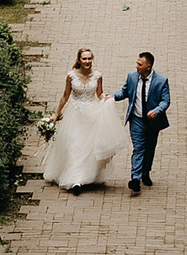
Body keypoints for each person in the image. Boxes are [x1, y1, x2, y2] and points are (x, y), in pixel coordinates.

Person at [44, 46, 128, 192]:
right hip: (75, 115)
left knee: (88, 148)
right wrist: (56, 114)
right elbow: (65, 96)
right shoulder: (71, 76)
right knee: (74, 146)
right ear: (79, 60)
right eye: (84, 59)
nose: (87, 61)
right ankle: (74, 181)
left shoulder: (97, 76)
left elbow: (99, 94)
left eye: (89, 58)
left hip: (92, 115)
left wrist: (107, 99)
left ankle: (84, 177)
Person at [113, 50, 171, 194]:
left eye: (140, 64)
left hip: (152, 122)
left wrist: (157, 110)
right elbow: (124, 92)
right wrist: (111, 97)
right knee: (138, 148)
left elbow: (165, 100)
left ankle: (146, 172)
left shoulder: (161, 80)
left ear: (148, 66)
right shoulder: (132, 77)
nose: (136, 66)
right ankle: (135, 179)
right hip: (136, 119)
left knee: (150, 148)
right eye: (137, 63)